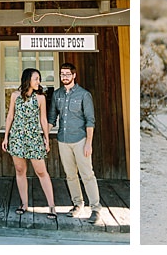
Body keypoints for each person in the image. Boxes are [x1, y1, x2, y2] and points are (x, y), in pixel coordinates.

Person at [47, 62, 102, 223]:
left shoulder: (84, 95)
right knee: (70, 175)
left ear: (74, 75)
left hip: (80, 140)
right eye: (62, 74)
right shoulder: (57, 95)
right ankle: (78, 204)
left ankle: (95, 208)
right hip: (63, 140)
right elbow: (52, 118)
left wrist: (89, 143)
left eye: (67, 74)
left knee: (87, 174)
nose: (64, 77)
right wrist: (44, 135)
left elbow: (90, 121)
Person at [1, 68, 57, 219]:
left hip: (34, 138)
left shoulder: (40, 98)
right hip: (17, 137)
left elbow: (43, 120)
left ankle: (51, 206)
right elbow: (10, 116)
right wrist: (6, 137)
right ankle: (24, 204)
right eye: (36, 79)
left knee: (41, 171)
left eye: (39, 79)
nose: (39, 82)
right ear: (28, 80)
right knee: (20, 171)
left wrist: (46, 138)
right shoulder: (14, 96)